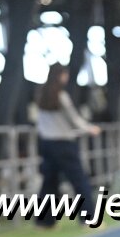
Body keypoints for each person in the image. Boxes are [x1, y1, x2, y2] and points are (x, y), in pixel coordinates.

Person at [35, 63, 101, 228]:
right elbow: (74, 119)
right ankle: (88, 218)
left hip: (46, 144)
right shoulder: (61, 96)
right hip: (63, 144)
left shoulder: (42, 95)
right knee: (79, 181)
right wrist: (90, 128)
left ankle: (45, 221)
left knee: (49, 183)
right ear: (60, 75)